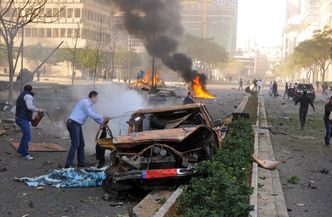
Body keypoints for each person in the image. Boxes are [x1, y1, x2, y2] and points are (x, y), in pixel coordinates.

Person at [65, 91, 109, 168]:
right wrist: (102, 117)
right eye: (97, 98)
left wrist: (103, 123)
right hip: (73, 123)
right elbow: (90, 114)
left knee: (81, 144)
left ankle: (81, 163)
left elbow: (93, 116)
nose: (97, 100)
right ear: (93, 97)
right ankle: (68, 164)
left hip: (77, 125)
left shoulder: (88, 105)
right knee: (75, 144)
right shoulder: (85, 102)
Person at [15, 85, 45, 160]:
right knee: (27, 136)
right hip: (22, 119)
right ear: (31, 90)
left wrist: (30, 118)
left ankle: (21, 150)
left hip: (19, 118)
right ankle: (25, 154)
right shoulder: (28, 96)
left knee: (25, 135)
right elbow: (30, 107)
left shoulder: (22, 95)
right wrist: (39, 110)